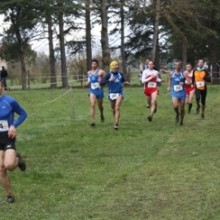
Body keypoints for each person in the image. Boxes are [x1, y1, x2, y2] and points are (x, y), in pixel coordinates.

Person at [0, 79, 27, 203]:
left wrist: (13, 126)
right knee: (1, 168)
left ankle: (17, 158)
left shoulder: (9, 101)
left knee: (9, 165)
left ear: (2, 87)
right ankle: (10, 195)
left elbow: (23, 114)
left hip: (7, 138)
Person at [100, 61, 129, 130]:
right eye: (115, 66)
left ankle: (116, 123)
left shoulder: (120, 74)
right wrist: (109, 80)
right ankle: (116, 119)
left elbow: (123, 80)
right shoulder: (108, 75)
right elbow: (101, 83)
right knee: (113, 109)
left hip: (119, 93)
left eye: (117, 66)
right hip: (112, 93)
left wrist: (125, 82)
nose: (117, 67)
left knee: (117, 108)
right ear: (112, 67)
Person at [86, 59, 105, 126]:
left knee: (100, 106)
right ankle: (93, 121)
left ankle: (101, 113)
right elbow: (88, 80)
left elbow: (105, 80)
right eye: (92, 64)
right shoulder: (89, 73)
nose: (93, 65)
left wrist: (101, 80)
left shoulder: (101, 72)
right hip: (92, 90)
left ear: (97, 65)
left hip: (99, 90)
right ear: (91, 65)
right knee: (92, 105)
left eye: (95, 64)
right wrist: (87, 83)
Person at [167, 60, 186, 126]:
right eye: (176, 65)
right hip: (174, 92)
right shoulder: (172, 73)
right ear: (174, 66)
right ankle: (177, 114)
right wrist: (169, 86)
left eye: (178, 65)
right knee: (175, 106)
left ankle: (181, 121)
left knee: (182, 108)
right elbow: (170, 80)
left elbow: (189, 81)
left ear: (181, 66)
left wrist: (184, 83)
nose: (177, 66)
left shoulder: (184, 73)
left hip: (182, 92)